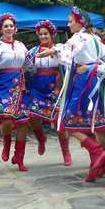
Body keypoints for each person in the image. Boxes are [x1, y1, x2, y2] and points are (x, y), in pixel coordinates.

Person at [36, 6, 105, 182]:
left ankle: (98, 152)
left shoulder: (80, 36)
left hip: (85, 83)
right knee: (93, 123)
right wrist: (97, 67)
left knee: (69, 121)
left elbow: (67, 49)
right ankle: (103, 161)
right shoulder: (97, 39)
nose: (68, 25)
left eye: (70, 22)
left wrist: (53, 50)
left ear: (79, 22)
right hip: (99, 84)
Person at [0, 13, 33, 172]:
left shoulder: (20, 45)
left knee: (24, 121)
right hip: (2, 84)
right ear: (0, 29)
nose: (9, 28)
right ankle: (6, 145)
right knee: (6, 119)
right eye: (6, 26)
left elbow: (29, 64)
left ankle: (19, 156)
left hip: (19, 85)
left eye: (11, 26)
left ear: (15, 28)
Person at [25, 20, 72, 166]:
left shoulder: (59, 48)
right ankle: (41, 139)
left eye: (46, 33)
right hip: (39, 86)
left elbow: (67, 58)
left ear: (52, 34)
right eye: (40, 34)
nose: (43, 36)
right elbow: (29, 67)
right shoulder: (33, 52)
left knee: (58, 120)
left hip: (55, 86)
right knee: (32, 114)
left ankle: (66, 152)